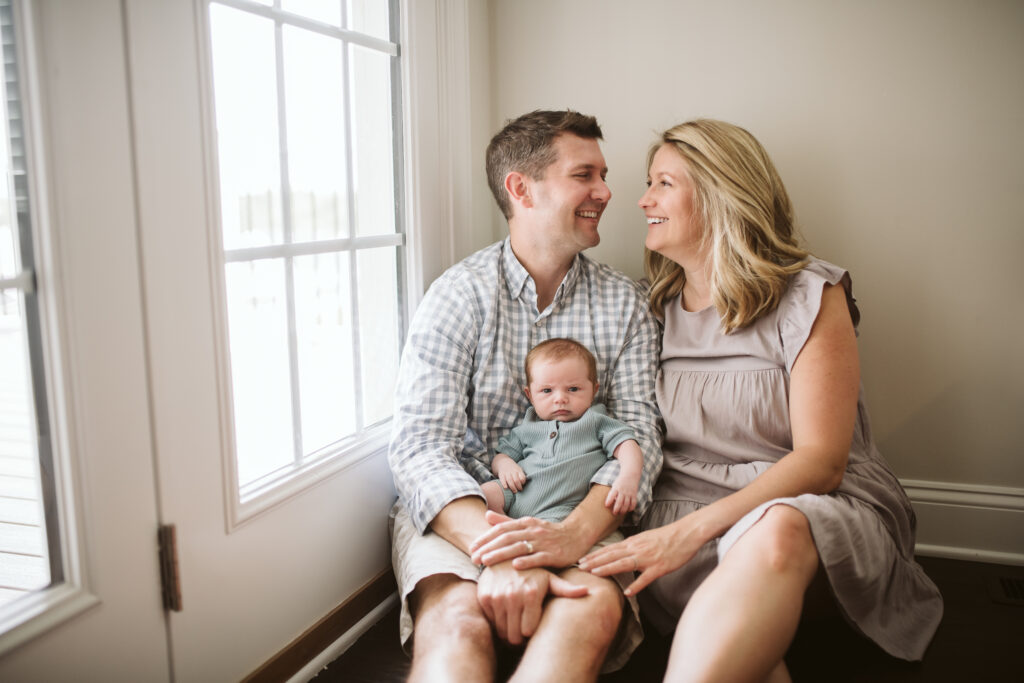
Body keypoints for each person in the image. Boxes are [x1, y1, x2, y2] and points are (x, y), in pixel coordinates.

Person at [578, 119, 943, 682]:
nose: (643, 199)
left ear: (722, 191)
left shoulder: (811, 296)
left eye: (664, 183)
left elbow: (821, 463)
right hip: (678, 520)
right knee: (746, 649)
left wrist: (691, 533)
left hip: (802, 512)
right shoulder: (648, 311)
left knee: (773, 529)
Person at [387, 109, 663, 681]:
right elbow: (419, 448)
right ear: (522, 188)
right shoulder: (457, 296)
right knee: (455, 627)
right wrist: (503, 550)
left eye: (603, 175)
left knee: (576, 627)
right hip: (465, 515)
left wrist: (571, 535)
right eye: (584, 175)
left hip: (581, 514)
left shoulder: (626, 305)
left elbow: (639, 438)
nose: (606, 192)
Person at [481, 338, 645, 520]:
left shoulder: (596, 421)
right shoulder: (528, 426)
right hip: (515, 492)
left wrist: (629, 477)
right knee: (484, 495)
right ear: (530, 395)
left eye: (573, 389)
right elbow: (501, 455)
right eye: (546, 391)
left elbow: (628, 445)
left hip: (560, 507)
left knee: (549, 531)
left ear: (594, 390)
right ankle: (504, 526)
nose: (560, 398)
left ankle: (517, 533)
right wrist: (505, 465)